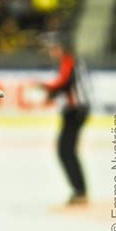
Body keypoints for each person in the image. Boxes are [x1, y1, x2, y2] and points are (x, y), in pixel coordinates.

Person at [37, 31, 91, 206]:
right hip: (74, 111)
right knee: (67, 151)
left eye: (52, 48)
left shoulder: (69, 61)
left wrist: (46, 88)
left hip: (76, 111)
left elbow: (63, 83)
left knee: (66, 151)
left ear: (59, 47)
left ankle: (80, 191)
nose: (51, 52)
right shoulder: (68, 61)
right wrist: (50, 92)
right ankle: (79, 190)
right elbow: (65, 85)